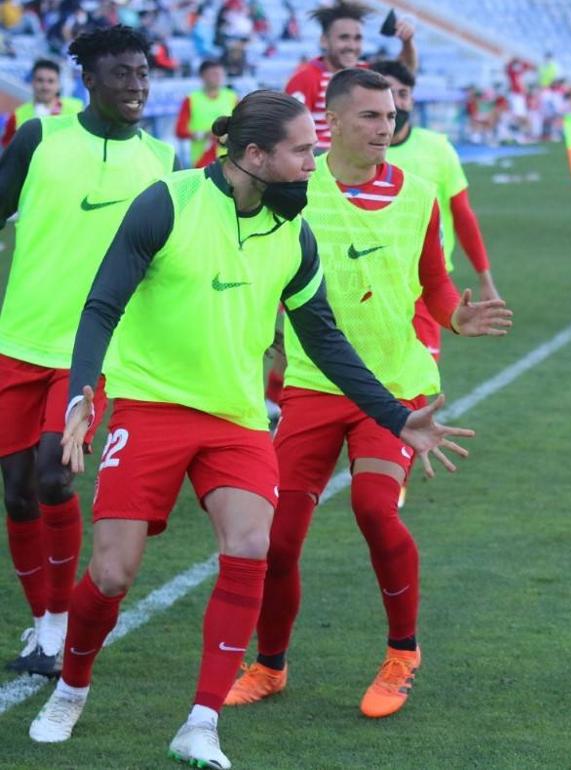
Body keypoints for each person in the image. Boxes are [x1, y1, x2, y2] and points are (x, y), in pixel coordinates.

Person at [26, 89, 472, 769]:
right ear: (255, 155)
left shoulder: (293, 232)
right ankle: (72, 690)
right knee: (113, 575)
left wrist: (394, 415)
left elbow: (324, 340)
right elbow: (102, 304)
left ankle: (201, 722)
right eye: (301, 152)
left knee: (252, 543)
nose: (312, 165)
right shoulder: (166, 203)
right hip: (153, 408)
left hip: (237, 420)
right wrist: (82, 393)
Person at [223, 68, 510, 720]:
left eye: (391, 115)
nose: (387, 127)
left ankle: (402, 654)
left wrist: (455, 317)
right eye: (371, 117)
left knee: (377, 510)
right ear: (334, 122)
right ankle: (270, 665)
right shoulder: (294, 190)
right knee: (281, 537)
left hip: (396, 389)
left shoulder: (419, 194)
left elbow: (434, 285)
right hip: (312, 387)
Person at [0, 26, 173, 678]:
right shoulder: (39, 139)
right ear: (89, 81)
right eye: (123, 74)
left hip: (93, 353)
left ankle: (60, 622)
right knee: (16, 492)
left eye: (143, 74)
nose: (137, 85)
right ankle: (44, 620)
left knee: (52, 472)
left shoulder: (160, 158)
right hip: (17, 341)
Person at [372, 59, 501, 360]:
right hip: (370, 285)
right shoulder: (357, 155)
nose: (398, 101)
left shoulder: (437, 148)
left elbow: (463, 216)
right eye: (389, 93)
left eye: (403, 93)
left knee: (419, 382)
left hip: (426, 285)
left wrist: (486, 279)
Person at [285, 0, 416, 149]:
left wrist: (407, 42)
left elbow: (404, 73)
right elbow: (291, 131)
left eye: (357, 38)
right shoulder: (305, 78)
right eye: (344, 38)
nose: (352, 46)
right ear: (324, 41)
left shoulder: (367, 72)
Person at [1, 58, 83, 148]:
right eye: (40, 80)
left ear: (59, 84)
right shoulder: (17, 116)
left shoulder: (77, 109)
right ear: (32, 82)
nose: (45, 86)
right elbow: (8, 151)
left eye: (50, 81)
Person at [175, 59, 238, 168]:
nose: (218, 77)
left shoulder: (232, 97)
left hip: (229, 159)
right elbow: (180, 131)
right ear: (202, 76)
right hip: (202, 161)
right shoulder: (191, 99)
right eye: (213, 74)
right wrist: (203, 135)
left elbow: (241, 124)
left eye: (220, 73)